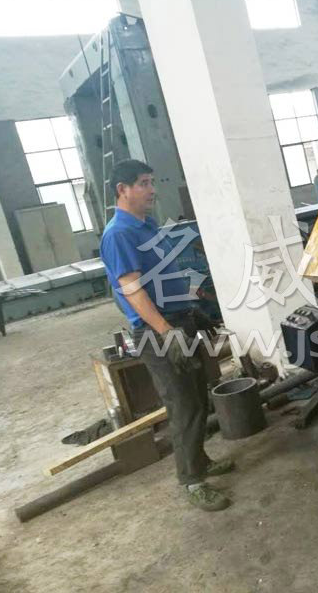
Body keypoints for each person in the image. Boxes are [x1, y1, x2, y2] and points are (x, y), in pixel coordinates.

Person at [99, 159, 233, 511]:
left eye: (152, 181)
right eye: (144, 183)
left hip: (177, 321)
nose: (152, 190)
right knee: (182, 404)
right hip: (157, 332)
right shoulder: (119, 234)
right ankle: (191, 480)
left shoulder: (148, 224)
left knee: (198, 397)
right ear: (122, 190)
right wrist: (166, 332)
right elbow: (132, 291)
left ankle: (200, 461)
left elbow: (164, 275)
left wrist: (192, 308)